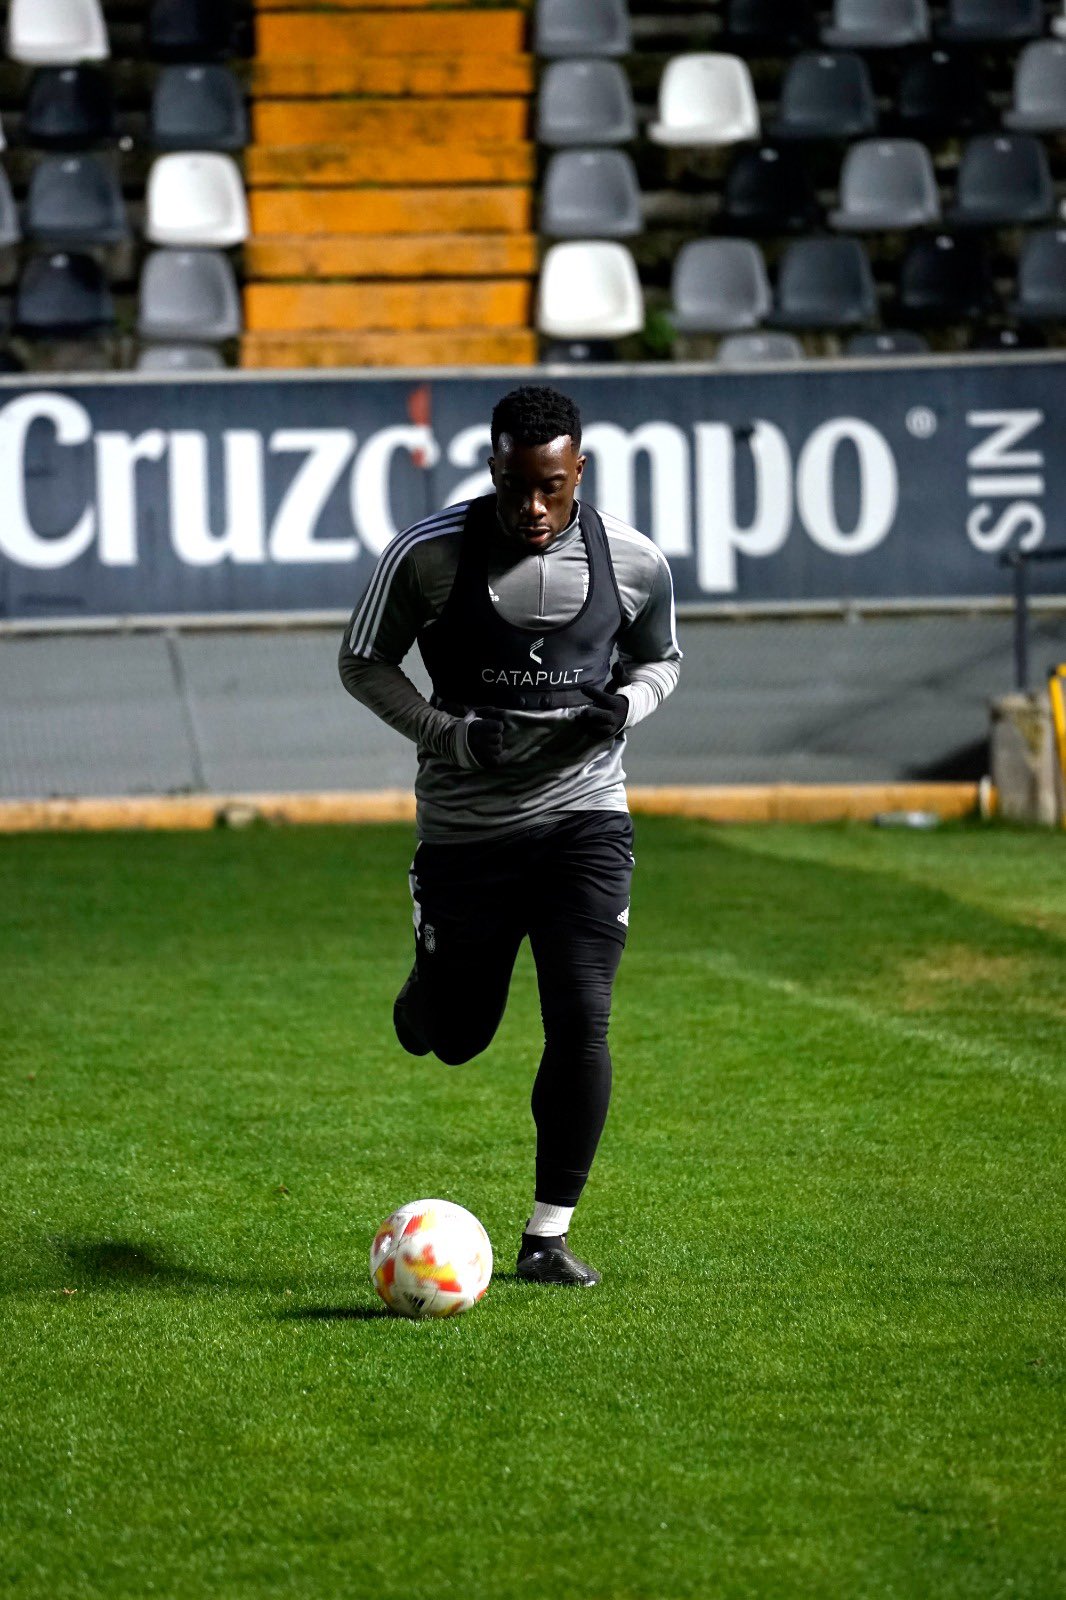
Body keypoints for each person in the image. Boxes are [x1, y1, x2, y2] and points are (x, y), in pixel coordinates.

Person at [338, 385, 681, 1286]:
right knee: (452, 1036)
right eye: (517, 485)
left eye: (553, 488)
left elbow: (661, 660)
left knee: (582, 1016)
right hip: (468, 832)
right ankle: (429, 973)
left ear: (579, 474)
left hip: (585, 819)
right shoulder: (428, 556)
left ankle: (546, 1237)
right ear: (492, 469)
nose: (534, 507)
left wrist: (628, 707)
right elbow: (361, 661)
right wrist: (446, 734)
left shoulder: (634, 560)